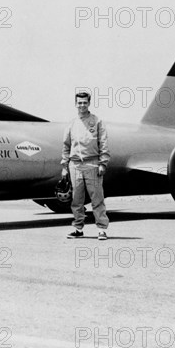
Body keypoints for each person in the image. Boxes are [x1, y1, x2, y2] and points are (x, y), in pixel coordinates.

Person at [61, 91, 110, 240]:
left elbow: (104, 143)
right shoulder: (72, 123)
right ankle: (78, 228)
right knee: (77, 199)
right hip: (75, 164)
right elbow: (66, 145)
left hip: (92, 163)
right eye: (79, 102)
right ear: (76, 104)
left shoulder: (97, 121)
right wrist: (64, 166)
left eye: (84, 102)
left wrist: (103, 163)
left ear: (89, 103)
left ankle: (101, 229)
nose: (82, 105)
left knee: (97, 198)